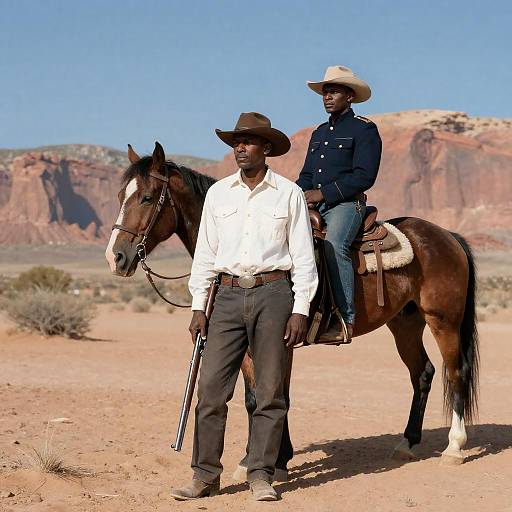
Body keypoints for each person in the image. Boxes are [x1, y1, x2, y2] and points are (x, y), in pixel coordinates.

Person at [170, 112, 318, 501]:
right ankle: (205, 475)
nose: (239, 147)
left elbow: (303, 257)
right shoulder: (219, 194)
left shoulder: (288, 193)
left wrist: (300, 309)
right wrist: (198, 305)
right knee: (212, 391)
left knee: (270, 392)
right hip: (227, 296)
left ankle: (261, 474)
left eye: (248, 141)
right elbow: (205, 254)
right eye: (236, 141)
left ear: (265, 148)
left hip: (274, 294)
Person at [296, 65, 382, 342]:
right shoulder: (319, 133)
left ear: (350, 96)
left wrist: (322, 195)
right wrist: (298, 196)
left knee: (334, 245)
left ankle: (344, 319)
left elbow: (364, 176)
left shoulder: (364, 130)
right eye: (325, 92)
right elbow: (307, 174)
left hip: (347, 205)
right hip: (314, 205)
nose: (327, 96)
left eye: (334, 91)